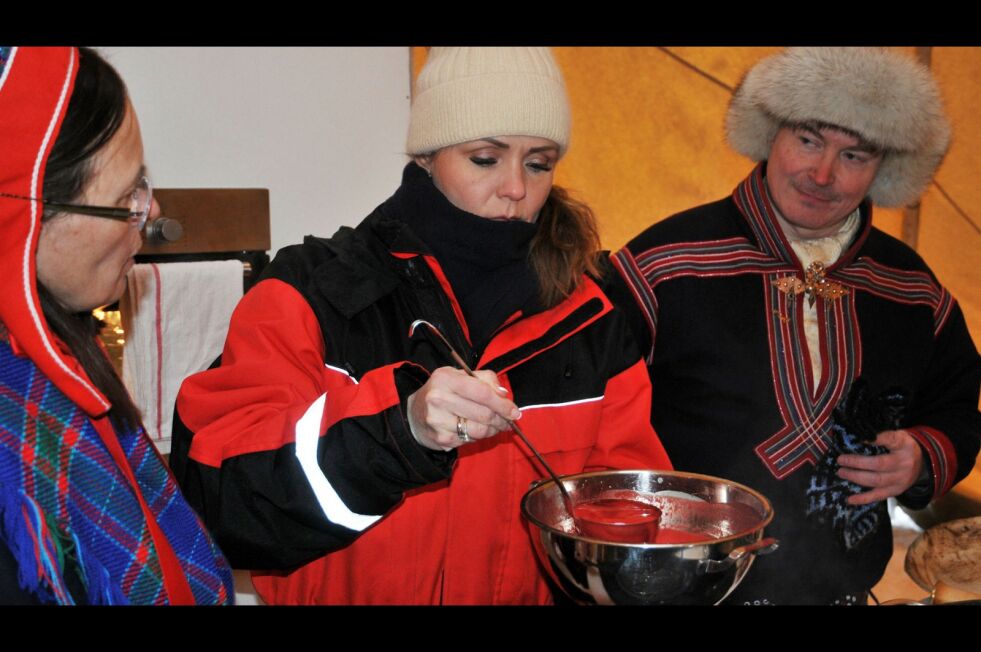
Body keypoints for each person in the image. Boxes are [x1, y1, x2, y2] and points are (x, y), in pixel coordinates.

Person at [170, 47, 671, 605]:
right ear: (428, 157)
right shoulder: (311, 295)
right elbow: (224, 503)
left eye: (539, 162)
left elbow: (620, 509)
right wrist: (399, 431)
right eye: (485, 158)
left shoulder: (589, 321)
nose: (514, 187)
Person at [610, 47, 981, 605]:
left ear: (888, 168)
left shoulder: (910, 289)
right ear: (770, 133)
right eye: (808, 140)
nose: (823, 174)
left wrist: (924, 454)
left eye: (854, 155)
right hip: (680, 589)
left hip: (843, 590)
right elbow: (590, 422)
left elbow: (957, 412)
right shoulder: (664, 265)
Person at [0, 47, 232, 605]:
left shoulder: (66, 353)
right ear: (25, 217)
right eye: (125, 198)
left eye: (142, 186)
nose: (149, 214)